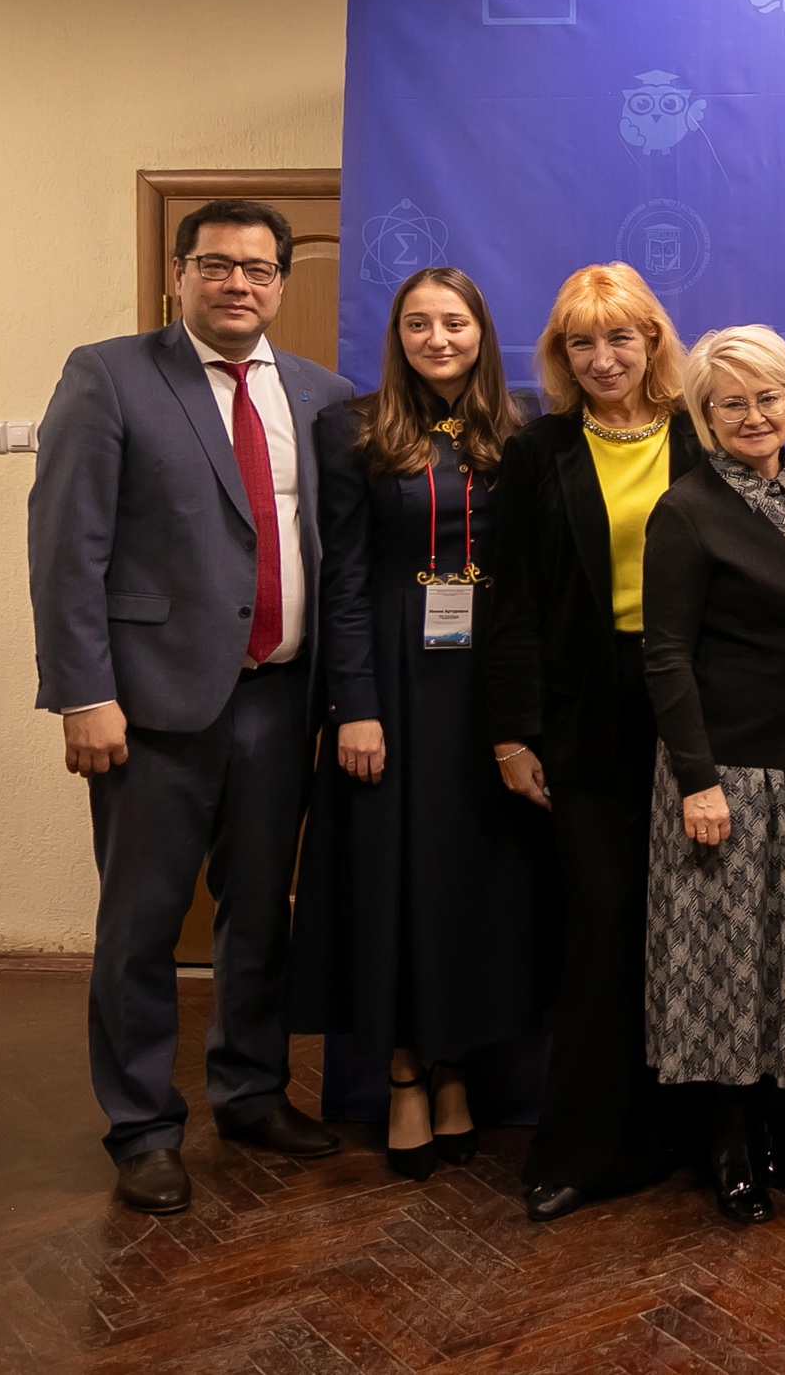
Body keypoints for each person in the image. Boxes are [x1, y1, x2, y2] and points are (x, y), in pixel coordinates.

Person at [29, 197, 355, 1213]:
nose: (237, 284)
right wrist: (84, 692)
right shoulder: (109, 375)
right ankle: (142, 1126)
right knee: (143, 923)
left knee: (260, 915)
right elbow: (67, 545)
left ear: (282, 283)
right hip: (149, 707)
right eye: (216, 264)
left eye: (258, 269)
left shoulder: (324, 396)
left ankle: (250, 1093)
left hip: (281, 699)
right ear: (179, 274)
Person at [291, 267, 550, 1180]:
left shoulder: (524, 425)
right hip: (397, 679)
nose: (438, 339)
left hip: (493, 677)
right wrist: (353, 707)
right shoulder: (352, 429)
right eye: (418, 324)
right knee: (395, 874)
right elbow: (344, 579)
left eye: (454, 322)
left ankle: (457, 1069)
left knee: (477, 879)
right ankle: (404, 1071)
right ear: (397, 336)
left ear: (482, 330)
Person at [484, 263, 704, 1223]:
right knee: (601, 928)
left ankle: (709, 1137)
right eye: (583, 342)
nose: (604, 358)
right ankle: (583, 1147)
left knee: (697, 926)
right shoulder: (539, 451)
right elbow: (514, 601)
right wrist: (511, 732)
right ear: (561, 355)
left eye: (621, 337)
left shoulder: (704, 436)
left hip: (696, 708)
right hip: (584, 716)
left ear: (653, 342)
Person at [641, 326, 785, 1225]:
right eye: (730, 402)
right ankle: (728, 1144)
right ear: (703, 414)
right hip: (726, 769)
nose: (753, 415)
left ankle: (767, 1126)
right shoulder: (685, 509)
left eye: (769, 397)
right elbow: (665, 655)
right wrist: (696, 780)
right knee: (725, 963)